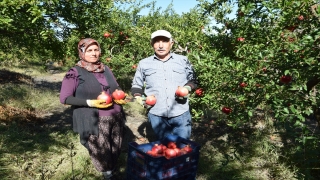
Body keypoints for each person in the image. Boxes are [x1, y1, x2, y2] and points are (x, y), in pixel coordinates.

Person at [59, 38, 126, 179]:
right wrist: (91, 103)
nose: (94, 53)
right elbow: (64, 98)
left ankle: (112, 170)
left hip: (116, 115)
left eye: (96, 50)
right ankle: (107, 174)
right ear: (81, 52)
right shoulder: (74, 72)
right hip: (95, 118)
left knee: (116, 148)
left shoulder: (105, 68)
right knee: (101, 152)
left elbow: (115, 87)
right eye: (89, 50)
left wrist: (119, 94)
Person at [130, 30, 199, 140]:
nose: (161, 45)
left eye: (165, 41)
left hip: (181, 112)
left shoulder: (183, 60)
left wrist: (187, 88)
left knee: (182, 148)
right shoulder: (144, 63)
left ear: (171, 43)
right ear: (152, 44)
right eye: (157, 42)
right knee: (165, 148)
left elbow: (193, 80)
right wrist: (139, 98)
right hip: (157, 114)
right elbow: (136, 85)